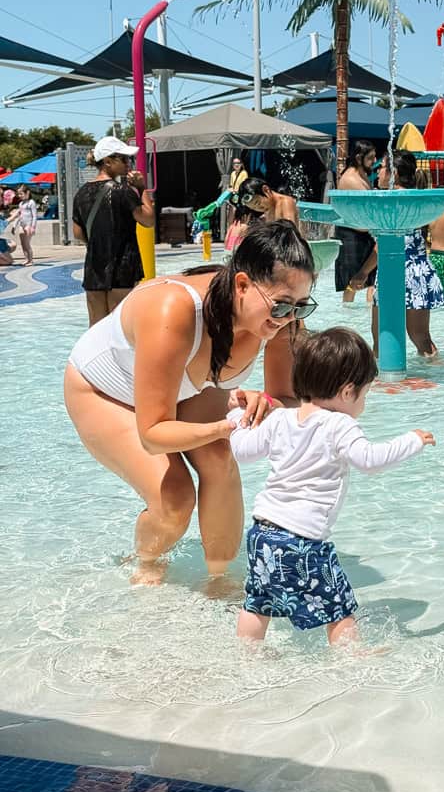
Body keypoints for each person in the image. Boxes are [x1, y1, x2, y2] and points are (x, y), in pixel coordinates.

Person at [64, 220, 318, 585]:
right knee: (175, 499)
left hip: (186, 387)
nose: (290, 318)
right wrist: (224, 426)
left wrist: (264, 403)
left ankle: (220, 581)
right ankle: (146, 561)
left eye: (302, 307)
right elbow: (153, 434)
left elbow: (288, 400)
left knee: (219, 459)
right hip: (103, 389)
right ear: (242, 285)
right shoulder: (173, 309)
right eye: (281, 307)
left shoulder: (281, 318)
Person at [228, 327, 435, 645]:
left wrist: (236, 416)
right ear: (348, 392)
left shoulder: (280, 418)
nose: (363, 403)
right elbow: (370, 460)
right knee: (339, 608)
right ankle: (351, 660)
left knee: (258, 602)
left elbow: (242, 451)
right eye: (365, 394)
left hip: (262, 532)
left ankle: (247, 653)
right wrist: (413, 440)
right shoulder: (340, 424)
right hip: (304, 538)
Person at [351, 152, 444, 358]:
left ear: (393, 172)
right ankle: (436, 371)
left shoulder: (391, 201)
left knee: (382, 338)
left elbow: (383, 244)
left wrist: (362, 272)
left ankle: (383, 375)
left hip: (399, 270)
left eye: (382, 167)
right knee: (420, 337)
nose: (378, 171)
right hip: (415, 271)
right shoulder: (413, 198)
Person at [71, 137, 155, 327]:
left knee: (96, 328)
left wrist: (97, 243)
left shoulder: (81, 193)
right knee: (120, 327)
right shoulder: (123, 191)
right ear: (108, 161)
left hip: (94, 267)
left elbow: (77, 233)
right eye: (124, 159)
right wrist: (141, 188)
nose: (128, 163)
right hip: (122, 265)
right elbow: (148, 220)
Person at [334, 140, 378, 306]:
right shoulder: (351, 179)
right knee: (351, 282)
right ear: (359, 158)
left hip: (362, 233)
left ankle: (370, 309)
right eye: (371, 157)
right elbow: (370, 208)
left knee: (370, 279)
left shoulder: (361, 175)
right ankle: (347, 313)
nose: (374, 161)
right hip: (351, 234)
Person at [14, 184, 37, 266]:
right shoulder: (21, 203)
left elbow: (34, 216)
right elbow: (19, 216)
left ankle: (31, 260)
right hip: (22, 225)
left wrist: (33, 227)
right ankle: (26, 259)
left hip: (28, 226)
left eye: (21, 194)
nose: (19, 196)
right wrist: (14, 226)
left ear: (27, 193)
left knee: (27, 244)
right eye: (18, 194)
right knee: (23, 243)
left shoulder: (31, 203)